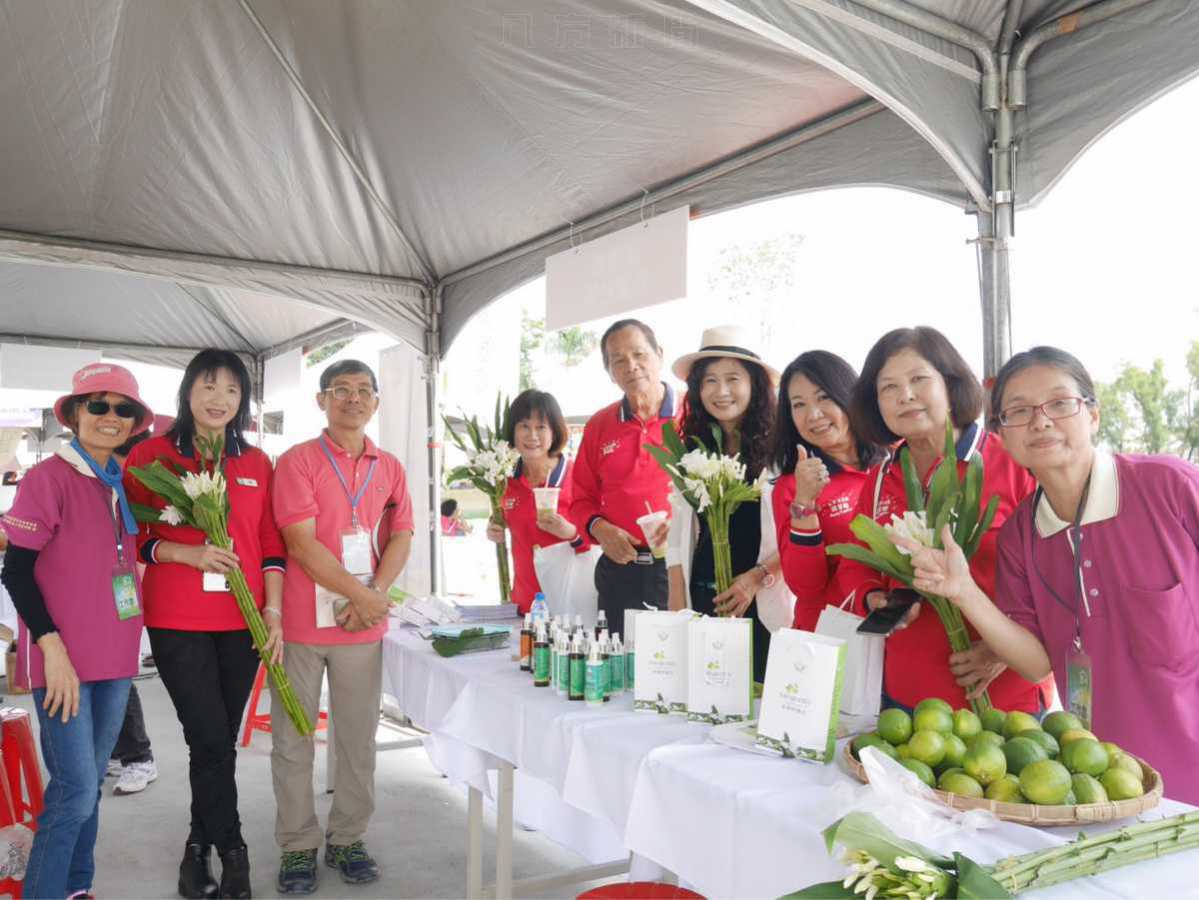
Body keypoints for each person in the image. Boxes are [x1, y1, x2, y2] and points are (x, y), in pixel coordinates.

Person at [900, 346, 1199, 804]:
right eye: (1018, 411)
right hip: (1101, 782)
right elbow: (1037, 662)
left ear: (1093, 414)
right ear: (1002, 433)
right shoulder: (1022, 534)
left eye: (1060, 404)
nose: (1040, 421)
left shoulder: (1169, 486)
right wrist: (963, 593)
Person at [124, 349, 286, 899]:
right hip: (177, 619)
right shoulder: (151, 457)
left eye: (233, 391)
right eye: (209, 386)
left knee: (214, 744)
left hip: (242, 620)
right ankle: (234, 851)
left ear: (243, 401)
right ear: (188, 392)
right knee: (209, 735)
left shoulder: (257, 462)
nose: (220, 400)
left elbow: (270, 544)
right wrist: (182, 553)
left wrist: (273, 609)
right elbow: (134, 536)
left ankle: (198, 849)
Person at [839, 326, 1051, 713]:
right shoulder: (880, 479)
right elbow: (855, 561)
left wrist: (1001, 650)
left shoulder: (1014, 464)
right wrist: (873, 597)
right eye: (888, 387)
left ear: (950, 384)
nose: (905, 395)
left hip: (1005, 700)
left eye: (919, 379)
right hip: (905, 699)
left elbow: (1056, 580)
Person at [0, 363, 151, 900]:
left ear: (135, 422)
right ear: (75, 413)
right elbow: (14, 570)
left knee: (88, 792)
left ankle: (77, 888)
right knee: (74, 790)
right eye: (98, 405)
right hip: (63, 661)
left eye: (123, 408)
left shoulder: (120, 482)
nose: (111, 417)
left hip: (114, 659)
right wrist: (49, 645)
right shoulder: (48, 477)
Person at [271, 360, 414, 895]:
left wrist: (370, 598)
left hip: (361, 629)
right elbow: (300, 543)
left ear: (376, 402)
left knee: (357, 743)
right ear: (321, 400)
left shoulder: (391, 466)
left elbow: (401, 534)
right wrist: (365, 596)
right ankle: (298, 846)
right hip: (306, 626)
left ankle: (349, 837)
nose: (352, 400)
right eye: (340, 391)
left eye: (362, 391)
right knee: (293, 742)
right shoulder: (298, 462)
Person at [664, 326, 785, 682]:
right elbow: (678, 533)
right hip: (705, 596)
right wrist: (676, 603)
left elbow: (798, 536)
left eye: (733, 378)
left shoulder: (778, 450)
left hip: (759, 602)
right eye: (710, 381)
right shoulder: (692, 449)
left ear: (754, 385)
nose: (722, 391)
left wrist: (756, 579)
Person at [570, 319, 679, 637]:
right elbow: (579, 500)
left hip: (678, 570)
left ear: (659, 354)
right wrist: (600, 530)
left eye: (639, 354)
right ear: (610, 371)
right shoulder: (599, 425)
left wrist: (685, 528)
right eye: (618, 360)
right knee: (618, 667)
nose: (631, 366)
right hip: (619, 571)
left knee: (673, 670)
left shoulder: (693, 413)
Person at [771, 351, 885, 631]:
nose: (813, 414)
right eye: (798, 404)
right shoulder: (792, 486)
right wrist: (804, 503)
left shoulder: (893, 464)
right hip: (830, 639)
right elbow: (806, 587)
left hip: (898, 630)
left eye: (823, 397)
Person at [486, 390, 587, 614]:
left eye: (541, 427)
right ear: (513, 431)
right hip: (525, 607)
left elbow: (600, 543)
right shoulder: (505, 482)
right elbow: (505, 524)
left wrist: (571, 533)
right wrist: (495, 529)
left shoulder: (577, 475)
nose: (532, 435)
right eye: (524, 426)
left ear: (555, 431)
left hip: (571, 609)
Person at [109, 430, 157, 797]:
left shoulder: (136, 481)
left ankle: (139, 757)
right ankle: (116, 750)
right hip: (97, 588)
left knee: (118, 668)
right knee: (99, 668)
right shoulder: (101, 477)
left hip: (125, 586)